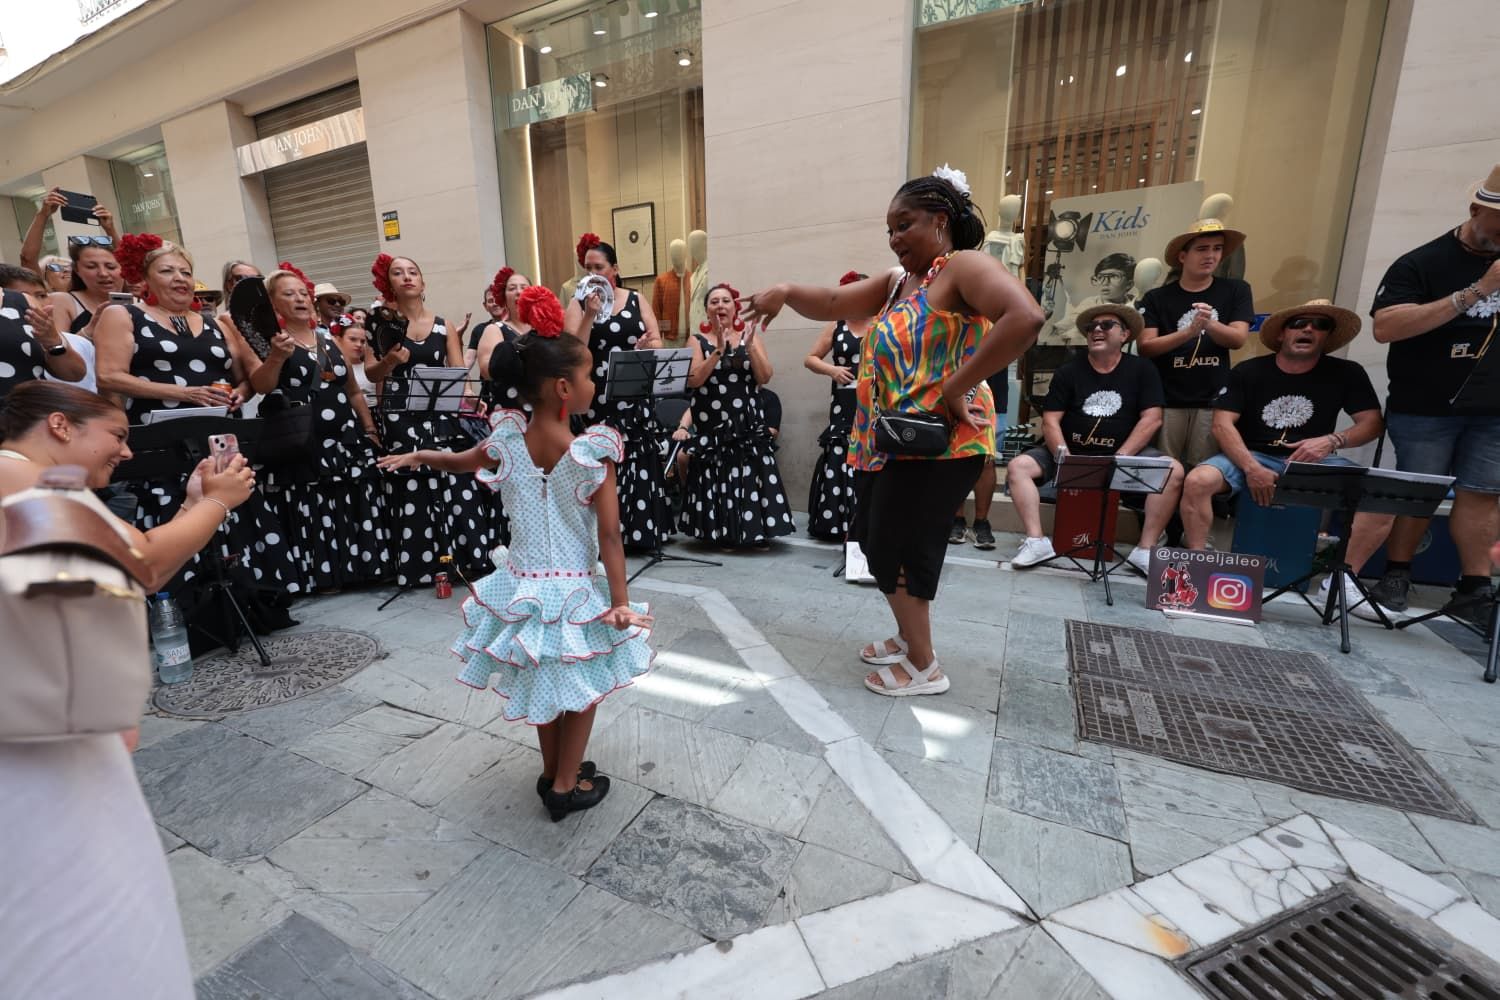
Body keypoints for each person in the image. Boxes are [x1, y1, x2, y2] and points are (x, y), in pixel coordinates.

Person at [742, 166, 1043, 697]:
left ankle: (925, 666)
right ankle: (909, 638)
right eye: (889, 230)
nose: (895, 238)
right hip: (894, 441)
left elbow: (1025, 317)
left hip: (944, 442)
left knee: (902, 549)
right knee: (878, 544)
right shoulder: (899, 282)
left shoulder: (964, 268)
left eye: (905, 225)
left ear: (940, 220)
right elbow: (834, 304)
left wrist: (956, 386)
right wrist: (785, 291)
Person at [0, 381, 254, 1000]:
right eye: (116, 436)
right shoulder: (17, 478)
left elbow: (125, 565)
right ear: (61, 425)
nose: (127, 452)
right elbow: (136, 560)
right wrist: (215, 505)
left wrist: (192, 506)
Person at [377, 287, 652, 821]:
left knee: (544, 677)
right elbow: (612, 538)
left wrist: (416, 455)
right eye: (591, 373)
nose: (596, 381)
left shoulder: (504, 439)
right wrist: (619, 601)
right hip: (574, 589)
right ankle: (567, 787)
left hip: (523, 586)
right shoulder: (592, 452)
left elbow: (457, 461)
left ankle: (552, 772)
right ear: (564, 389)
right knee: (584, 685)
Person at [94, 237, 303, 597]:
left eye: (185, 271)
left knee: (231, 519)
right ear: (144, 279)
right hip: (161, 446)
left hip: (217, 444)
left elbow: (258, 382)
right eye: (167, 271)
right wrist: (182, 393)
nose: (179, 278)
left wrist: (267, 367)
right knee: (177, 518)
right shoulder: (123, 315)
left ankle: (249, 604)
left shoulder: (219, 323)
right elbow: (108, 376)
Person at [1352, 165, 1500, 628]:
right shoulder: (1422, 262)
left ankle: (1474, 587)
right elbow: (1385, 326)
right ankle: (1396, 574)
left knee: (1482, 496)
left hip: (1493, 407)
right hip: (1426, 404)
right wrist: (1478, 291)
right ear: (1477, 210)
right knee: (1418, 493)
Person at [1179, 299, 1382, 549]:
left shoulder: (1347, 372)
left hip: (1315, 461)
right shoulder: (1248, 371)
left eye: (1320, 324)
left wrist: (1332, 440)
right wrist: (1252, 468)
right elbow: (1221, 425)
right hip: (1252, 455)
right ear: (1281, 333)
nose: (1308, 329)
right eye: (1298, 323)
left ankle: (1345, 578)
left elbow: (1372, 423)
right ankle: (1198, 559)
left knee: (1380, 497)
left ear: (1327, 335)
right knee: (1197, 480)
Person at [1007, 306, 1181, 573]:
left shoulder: (1142, 370)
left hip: (1124, 455)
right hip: (1071, 454)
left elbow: (1152, 419)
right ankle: (1036, 541)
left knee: (1173, 471)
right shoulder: (1068, 371)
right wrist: (1064, 456)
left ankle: (1144, 550)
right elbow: (1051, 421)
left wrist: (1122, 456)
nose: (1097, 330)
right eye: (1091, 327)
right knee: (1018, 467)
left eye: (1106, 325)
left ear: (1125, 335)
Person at [248, 266, 391, 591]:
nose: (299, 299)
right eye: (288, 294)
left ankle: (363, 569)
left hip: (346, 437)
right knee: (314, 505)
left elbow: (353, 389)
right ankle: (325, 575)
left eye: (302, 293)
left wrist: (369, 429)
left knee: (352, 500)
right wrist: (274, 358)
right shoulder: (272, 342)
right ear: (274, 304)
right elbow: (261, 385)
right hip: (304, 441)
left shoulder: (328, 338)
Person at [363, 253, 497, 584]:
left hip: (441, 413)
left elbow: (457, 371)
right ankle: (423, 565)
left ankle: (466, 558)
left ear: (423, 282)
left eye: (413, 272)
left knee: (455, 479)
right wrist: (391, 361)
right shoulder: (379, 323)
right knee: (414, 485)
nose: (407, 277)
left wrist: (469, 399)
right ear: (388, 282)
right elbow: (371, 371)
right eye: (398, 273)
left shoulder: (443, 324)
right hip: (400, 417)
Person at [564, 233, 669, 552]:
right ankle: (607, 535)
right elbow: (572, 351)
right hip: (598, 398)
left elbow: (657, 341)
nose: (592, 274)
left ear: (615, 269)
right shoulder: (577, 302)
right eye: (587, 268)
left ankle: (641, 532)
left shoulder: (636, 299)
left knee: (637, 455)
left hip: (634, 392)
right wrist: (591, 315)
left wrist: (645, 345)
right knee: (605, 459)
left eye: (599, 267)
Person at [677, 282, 794, 548]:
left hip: (745, 422)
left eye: (726, 301)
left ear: (735, 307)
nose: (720, 306)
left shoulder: (749, 336)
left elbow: (764, 376)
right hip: (712, 423)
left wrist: (750, 347)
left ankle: (751, 532)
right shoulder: (696, 340)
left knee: (747, 473)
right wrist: (718, 349)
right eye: (714, 302)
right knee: (717, 474)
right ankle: (721, 533)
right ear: (706, 310)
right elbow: (693, 381)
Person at [1138, 219, 1254, 468]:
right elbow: (1146, 347)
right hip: (1167, 398)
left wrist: (1210, 324)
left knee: (1202, 471)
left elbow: (1238, 339)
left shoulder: (1236, 290)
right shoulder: (1158, 297)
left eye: (1217, 248)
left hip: (1213, 400)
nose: (1211, 255)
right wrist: (1189, 331)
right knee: (1162, 472)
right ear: (1183, 256)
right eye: (1202, 249)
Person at [805, 270, 870, 541]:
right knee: (842, 453)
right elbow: (810, 358)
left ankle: (867, 521)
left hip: (872, 400)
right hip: (843, 402)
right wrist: (832, 371)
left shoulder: (881, 321)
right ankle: (837, 522)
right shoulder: (837, 325)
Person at [1, 265, 96, 394]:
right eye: (22, 297)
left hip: (27, 409)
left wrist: (52, 342)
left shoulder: (57, 336)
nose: (34, 303)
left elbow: (75, 374)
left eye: (42, 295)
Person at [948, 367, 1009, 550]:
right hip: (950, 383)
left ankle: (981, 522)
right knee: (952, 456)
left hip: (986, 387)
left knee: (985, 459)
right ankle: (956, 519)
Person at [18, 186, 118, 276]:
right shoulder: (49, 295)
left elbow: (125, 262)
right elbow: (28, 259)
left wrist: (110, 229)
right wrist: (43, 214)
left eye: (67, 265)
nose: (65, 270)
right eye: (55, 267)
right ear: (43, 279)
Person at [474, 267, 534, 414]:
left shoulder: (544, 328)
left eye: (523, 287)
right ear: (504, 299)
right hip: (510, 409)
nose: (518, 292)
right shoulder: (495, 329)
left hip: (543, 408)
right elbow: (487, 370)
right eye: (512, 288)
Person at [330, 313, 378, 407]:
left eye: (363, 341)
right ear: (338, 340)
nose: (359, 345)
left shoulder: (373, 367)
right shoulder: (332, 367)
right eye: (353, 339)